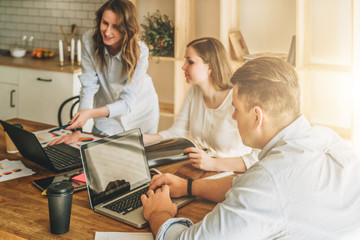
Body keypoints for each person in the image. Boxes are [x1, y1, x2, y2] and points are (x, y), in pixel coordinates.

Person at [140, 57, 360, 239]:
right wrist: (190, 187)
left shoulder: (270, 180)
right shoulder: (328, 137)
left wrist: (158, 213)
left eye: (236, 109)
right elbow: (246, 185)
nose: (233, 116)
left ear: (257, 116)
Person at [50, 0, 159, 145]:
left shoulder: (140, 51)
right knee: (102, 158)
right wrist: (78, 130)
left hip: (139, 114)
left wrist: (89, 113)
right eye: (105, 23)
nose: (107, 32)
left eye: (116, 27)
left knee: (135, 162)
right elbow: (88, 87)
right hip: (105, 117)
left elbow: (127, 103)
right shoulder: (90, 41)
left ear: (127, 28)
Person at [143, 37, 258, 172]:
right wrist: (140, 140)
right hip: (202, 169)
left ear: (209, 67)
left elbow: (256, 157)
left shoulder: (237, 98)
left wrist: (213, 164)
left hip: (230, 174)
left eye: (190, 62)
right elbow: (178, 132)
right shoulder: (194, 91)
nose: (183, 66)